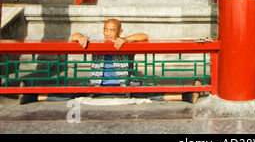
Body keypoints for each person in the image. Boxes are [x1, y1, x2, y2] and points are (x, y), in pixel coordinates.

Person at [19, 19, 200, 104]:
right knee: (72, 91)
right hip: (96, 83)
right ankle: (33, 96)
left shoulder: (124, 42)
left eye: (112, 30)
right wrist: (80, 37)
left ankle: (184, 95)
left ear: (119, 32)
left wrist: (127, 40)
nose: (108, 33)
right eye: (106, 29)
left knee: (147, 90)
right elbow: (73, 36)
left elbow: (145, 36)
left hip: (124, 84)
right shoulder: (96, 40)